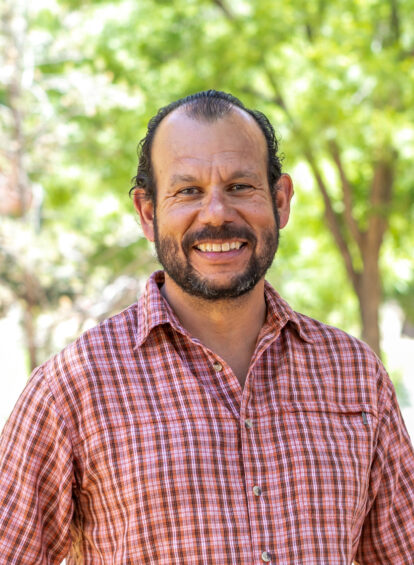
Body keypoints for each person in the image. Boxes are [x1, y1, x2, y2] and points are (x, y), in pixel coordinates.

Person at [0, 90, 413, 565]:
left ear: (280, 201)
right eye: (188, 191)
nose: (216, 213)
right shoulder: (71, 390)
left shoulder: (355, 375)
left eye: (240, 187)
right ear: (148, 212)